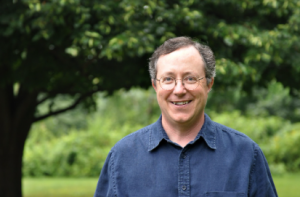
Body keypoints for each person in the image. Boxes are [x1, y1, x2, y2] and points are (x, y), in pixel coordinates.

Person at [94, 37, 278, 197]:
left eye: (190, 78)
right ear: (155, 86)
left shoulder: (246, 155)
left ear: (209, 84)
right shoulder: (121, 158)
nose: (179, 90)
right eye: (168, 79)